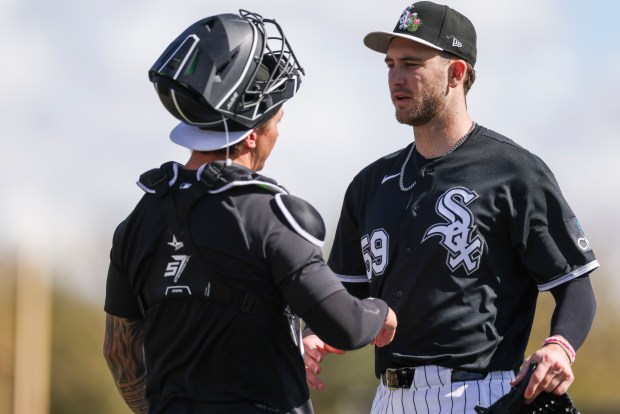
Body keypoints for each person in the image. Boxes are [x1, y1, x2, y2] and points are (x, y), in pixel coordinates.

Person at [302, 2, 597, 413]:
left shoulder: (513, 171)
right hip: (386, 399)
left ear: (456, 73)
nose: (396, 78)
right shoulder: (370, 184)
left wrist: (560, 346)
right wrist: (319, 331)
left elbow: (574, 283)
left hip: (475, 394)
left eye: (411, 63)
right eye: (390, 64)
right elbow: (345, 293)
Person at [102, 10, 397, 414]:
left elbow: (119, 353)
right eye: (278, 119)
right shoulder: (269, 216)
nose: (279, 131)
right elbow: (344, 326)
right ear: (253, 133)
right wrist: (380, 313)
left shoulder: (138, 220)